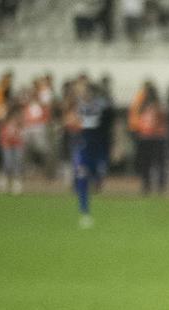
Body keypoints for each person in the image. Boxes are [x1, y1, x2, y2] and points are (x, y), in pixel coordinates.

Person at [70, 78, 111, 228]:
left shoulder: (101, 105)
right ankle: (84, 212)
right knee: (82, 177)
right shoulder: (77, 106)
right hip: (83, 147)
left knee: (97, 179)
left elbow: (107, 118)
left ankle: (98, 181)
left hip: (97, 147)